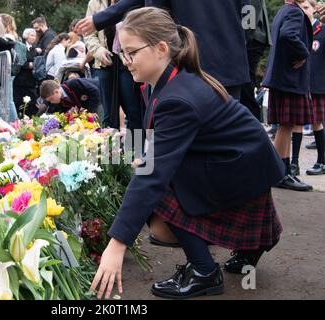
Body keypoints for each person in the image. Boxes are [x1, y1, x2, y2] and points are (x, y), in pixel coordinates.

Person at [89, 7, 284, 300]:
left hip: (243, 169)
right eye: (122, 54)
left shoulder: (176, 97)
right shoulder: (167, 80)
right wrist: (146, 157)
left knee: (159, 185)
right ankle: (250, 245)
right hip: (239, 162)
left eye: (131, 52)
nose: (125, 61)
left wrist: (117, 244)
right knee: (152, 168)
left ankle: (204, 271)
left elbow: (153, 176)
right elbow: (159, 148)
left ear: (161, 48)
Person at [76, 0, 250, 99]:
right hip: (230, 60)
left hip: (183, 62)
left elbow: (155, 17)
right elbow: (247, 11)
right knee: (225, 136)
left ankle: (143, 159)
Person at [262, 0, 314, 191]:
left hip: (282, 78)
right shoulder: (295, 13)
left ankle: (282, 172)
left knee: (286, 125)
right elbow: (287, 35)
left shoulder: (283, 11)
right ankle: (280, 174)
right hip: (289, 79)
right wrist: (303, 53)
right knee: (286, 125)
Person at [84, 0, 143, 137]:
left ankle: (136, 154)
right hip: (105, 63)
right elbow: (89, 35)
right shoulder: (94, 3)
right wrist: (98, 51)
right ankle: (110, 154)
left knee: (134, 111)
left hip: (128, 61)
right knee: (109, 113)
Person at [290, 0, 325, 176]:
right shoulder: (297, 28)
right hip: (301, 83)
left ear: (314, 9)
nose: (303, 11)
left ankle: (322, 161)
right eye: (300, 8)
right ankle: (294, 163)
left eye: (306, 8)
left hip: (318, 84)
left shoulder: (322, 30)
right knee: (297, 121)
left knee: (317, 122)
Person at [241, 0, 272, 120]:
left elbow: (252, 6)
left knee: (245, 84)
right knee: (245, 84)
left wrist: (244, 36)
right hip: (252, 35)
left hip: (252, 37)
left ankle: (251, 124)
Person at [13, 28, 39, 117]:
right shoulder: (20, 47)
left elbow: (38, 62)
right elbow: (19, 61)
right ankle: (19, 117)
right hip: (20, 79)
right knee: (19, 100)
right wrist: (28, 65)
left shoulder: (35, 49)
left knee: (31, 100)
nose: (34, 37)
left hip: (31, 79)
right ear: (26, 36)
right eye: (32, 35)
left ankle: (30, 118)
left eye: (35, 36)